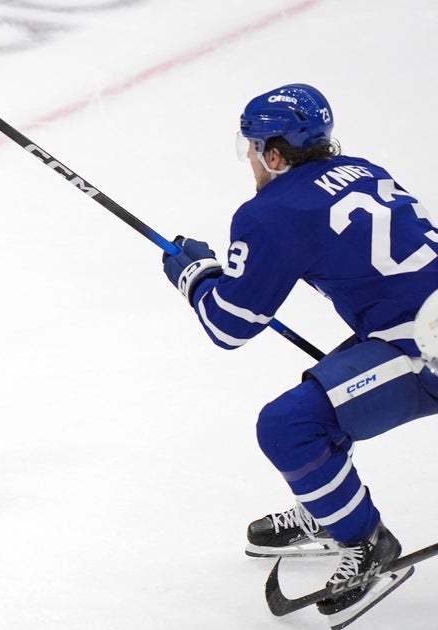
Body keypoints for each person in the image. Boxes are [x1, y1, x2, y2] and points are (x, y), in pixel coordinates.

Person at [161, 84, 438, 627]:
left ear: (275, 154)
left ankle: (362, 541)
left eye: (253, 145)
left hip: (424, 349)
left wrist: (195, 278)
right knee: (324, 398)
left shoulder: (271, 212)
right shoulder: (360, 168)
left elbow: (229, 326)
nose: (249, 157)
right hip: (413, 327)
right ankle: (329, 507)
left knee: (289, 426)